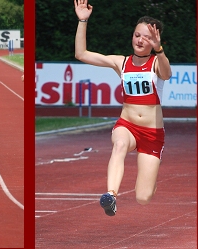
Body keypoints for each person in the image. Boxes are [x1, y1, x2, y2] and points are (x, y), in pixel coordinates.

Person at [74, 0, 172, 216]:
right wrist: (82, 20)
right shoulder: (121, 63)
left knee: (143, 198)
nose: (140, 40)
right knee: (119, 145)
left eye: (147, 37)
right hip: (127, 125)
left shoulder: (157, 63)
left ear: (155, 41)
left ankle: (151, 180)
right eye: (137, 34)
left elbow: (166, 74)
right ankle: (111, 195)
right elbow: (81, 54)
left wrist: (160, 50)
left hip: (152, 133)